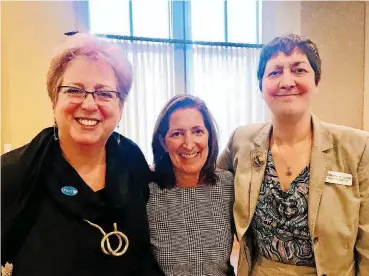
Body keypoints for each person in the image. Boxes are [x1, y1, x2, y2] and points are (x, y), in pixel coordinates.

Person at [1, 33, 163, 276]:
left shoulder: (132, 161)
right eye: (75, 90)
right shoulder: (15, 173)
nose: (89, 104)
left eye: (105, 93)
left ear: (121, 106)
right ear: (54, 100)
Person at [217, 33, 369, 276]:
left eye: (299, 70)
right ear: (261, 87)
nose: (287, 82)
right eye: (275, 72)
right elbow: (205, 180)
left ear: (316, 82)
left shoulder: (356, 148)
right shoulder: (242, 141)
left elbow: (367, 242)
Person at [147, 94, 235, 276]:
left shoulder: (228, 185)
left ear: (209, 137)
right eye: (177, 133)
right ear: (163, 142)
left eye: (198, 131)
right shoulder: (146, 191)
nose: (188, 144)